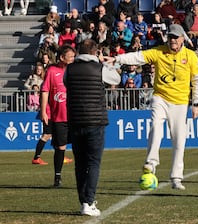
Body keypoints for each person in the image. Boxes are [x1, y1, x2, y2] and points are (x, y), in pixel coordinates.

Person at [104, 24, 198, 190]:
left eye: (175, 37)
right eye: (170, 37)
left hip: (180, 102)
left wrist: (196, 103)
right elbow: (138, 57)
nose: (172, 40)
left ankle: (176, 177)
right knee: (155, 127)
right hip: (161, 98)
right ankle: (150, 165)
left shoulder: (191, 56)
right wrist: (117, 59)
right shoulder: (159, 52)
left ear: (182, 39)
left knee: (179, 141)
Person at [64, 39, 120, 216]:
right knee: (93, 162)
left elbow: (67, 85)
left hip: (75, 121)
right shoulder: (100, 68)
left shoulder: (69, 69)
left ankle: (83, 201)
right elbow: (116, 78)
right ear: (96, 52)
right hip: (95, 121)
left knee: (79, 164)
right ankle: (89, 202)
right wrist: (105, 63)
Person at [40, 45, 76, 187]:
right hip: (59, 117)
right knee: (60, 147)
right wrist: (43, 111)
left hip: (75, 116)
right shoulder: (52, 71)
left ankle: (84, 174)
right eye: (71, 57)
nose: (73, 59)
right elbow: (45, 91)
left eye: (74, 56)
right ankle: (57, 176)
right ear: (62, 57)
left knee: (80, 147)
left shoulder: (75, 71)